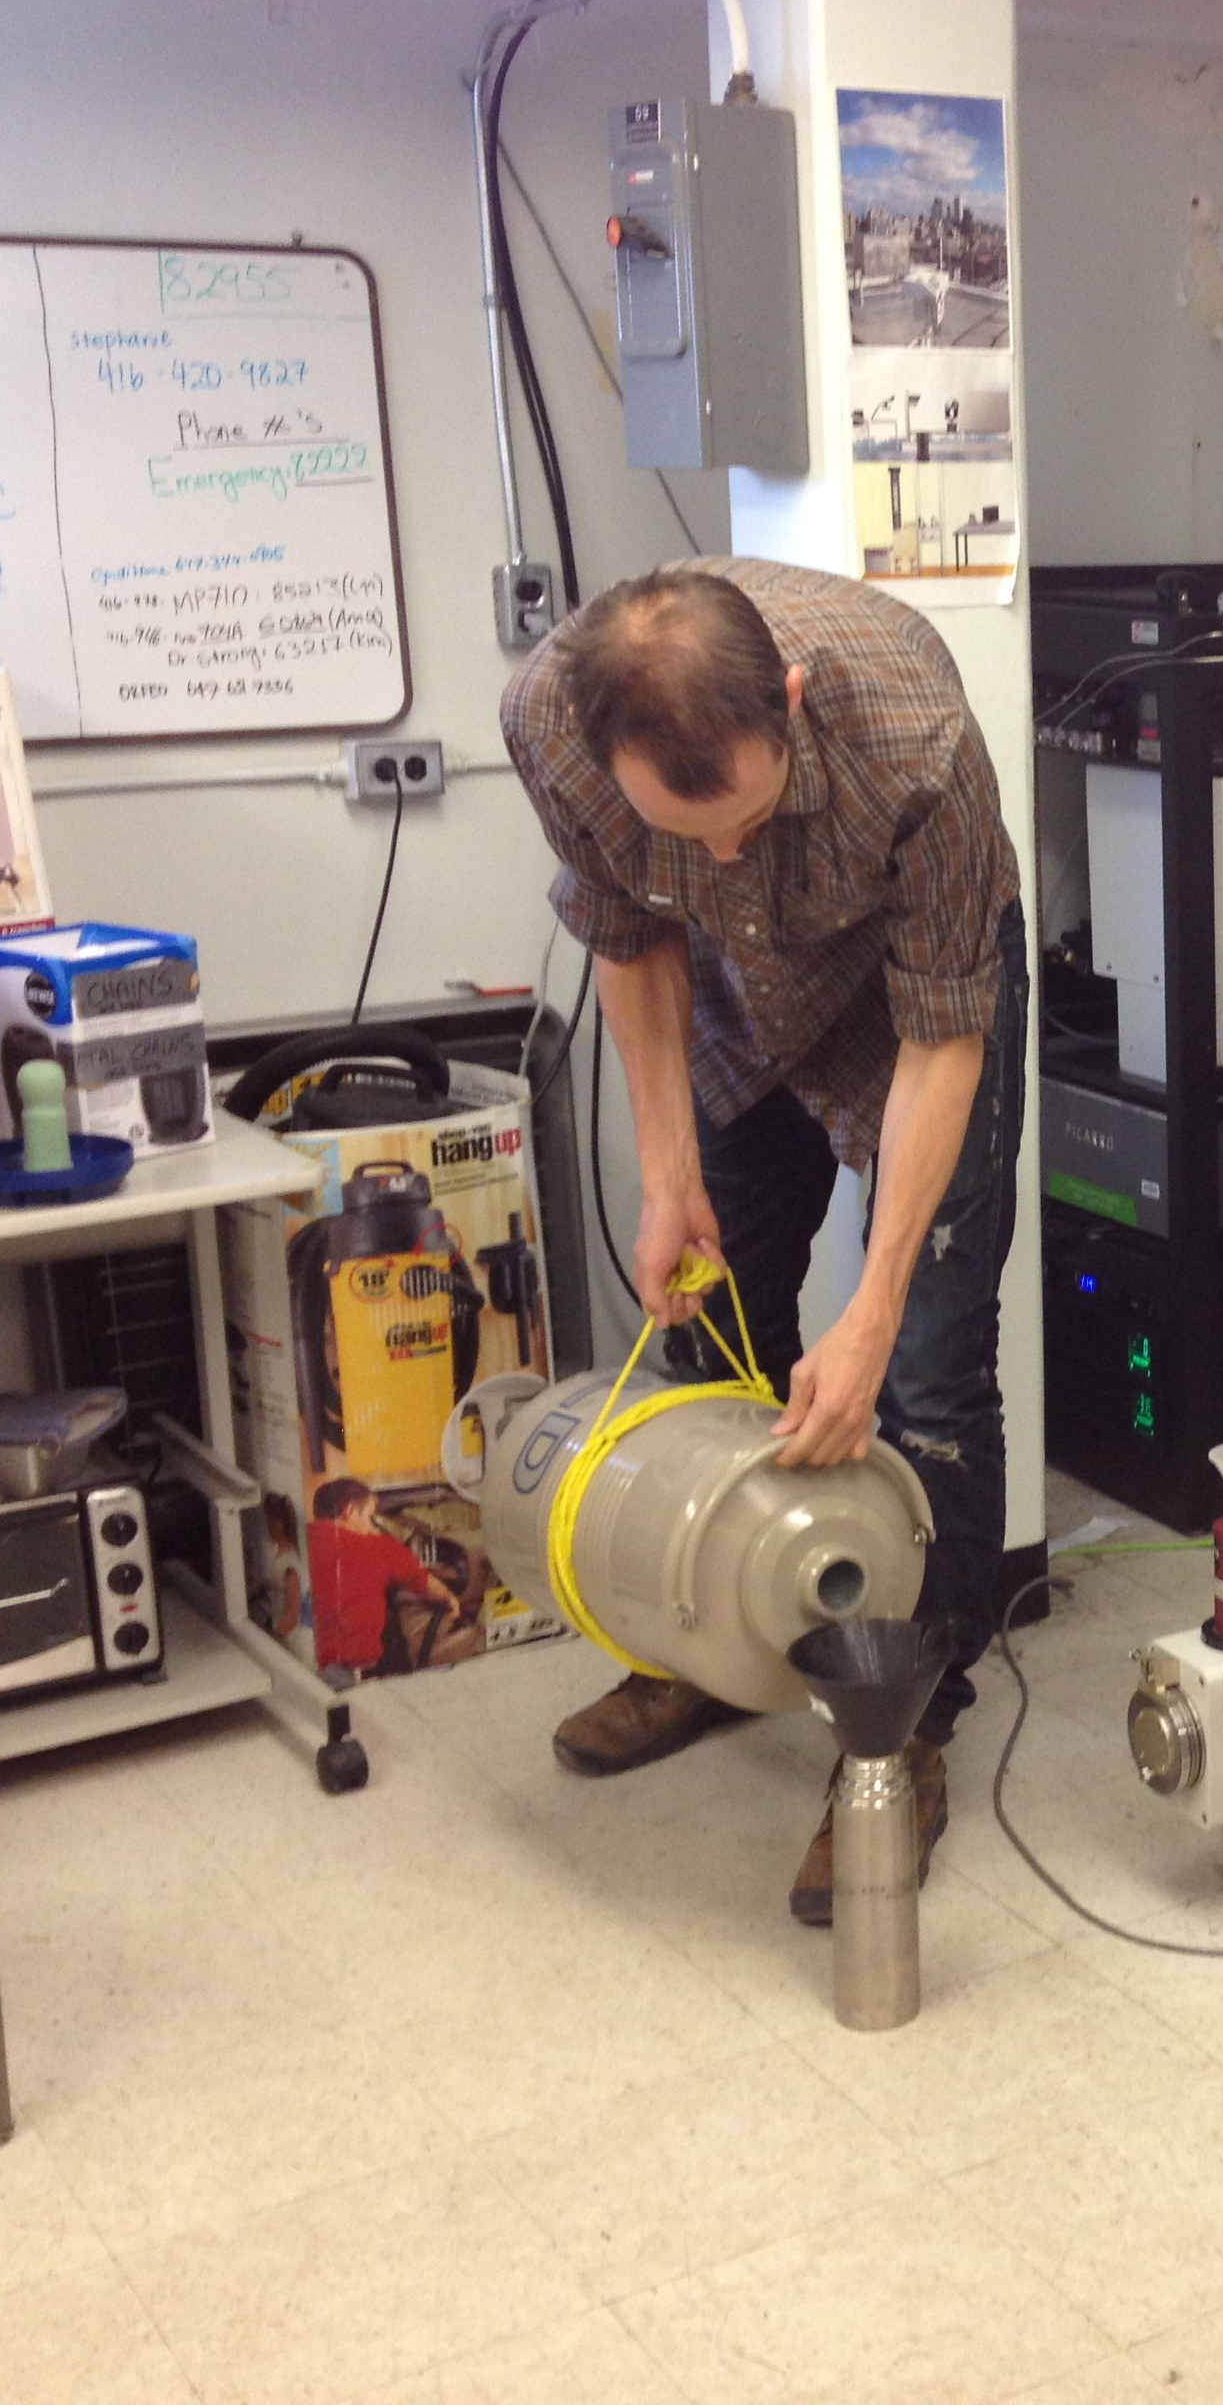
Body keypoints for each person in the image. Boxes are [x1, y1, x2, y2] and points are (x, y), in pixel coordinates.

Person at [503, 559, 1025, 1926]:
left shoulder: (918, 743)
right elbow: (629, 935)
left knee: (923, 1373)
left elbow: (943, 1037)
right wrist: (667, 1172)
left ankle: (902, 1731)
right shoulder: (551, 724)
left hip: (913, 1005)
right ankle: (703, 1639)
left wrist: (876, 1302)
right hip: (728, 998)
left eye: (747, 813)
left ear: (787, 703)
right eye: (691, 829)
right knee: (706, 1309)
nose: (725, 851)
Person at [304, 1477, 458, 1679]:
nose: (373, 1528)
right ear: (349, 1512)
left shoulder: (304, 1537)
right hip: (351, 1667)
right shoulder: (377, 1546)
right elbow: (423, 1583)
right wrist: (451, 1599)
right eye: (370, 1517)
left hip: (304, 1663)